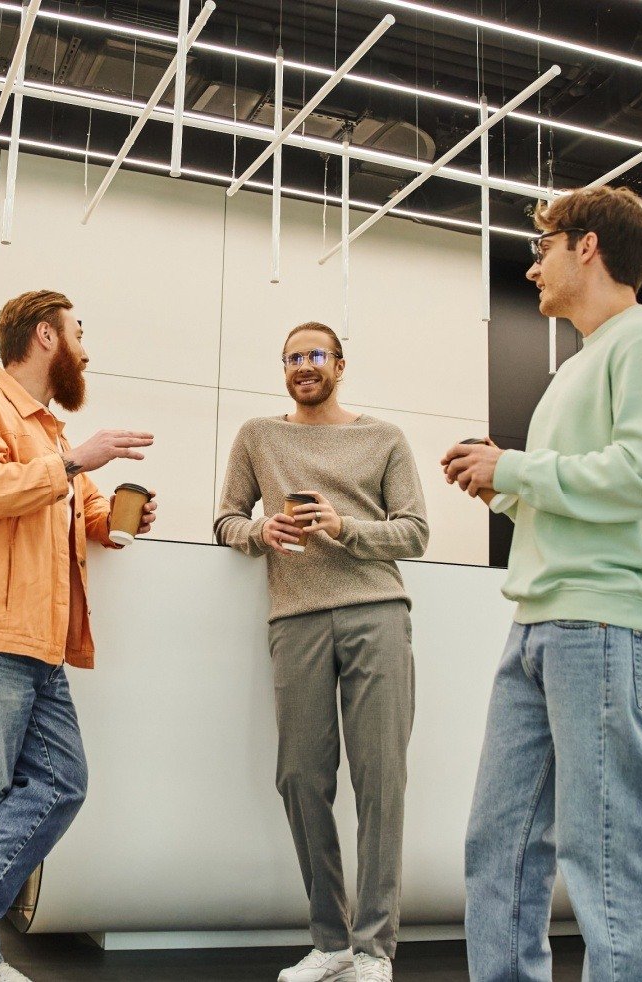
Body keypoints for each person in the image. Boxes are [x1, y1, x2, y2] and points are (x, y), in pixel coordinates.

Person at [443, 185, 642, 982]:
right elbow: (589, 493)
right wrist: (511, 489)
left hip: (605, 625)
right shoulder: (581, 367)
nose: (532, 269)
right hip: (539, 624)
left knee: (606, 850)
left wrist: (519, 469)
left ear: (585, 246)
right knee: (499, 846)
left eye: (542, 248)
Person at [0, 289, 157, 982]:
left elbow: (71, 506)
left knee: (63, 781)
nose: (86, 348)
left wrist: (112, 515)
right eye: (78, 331)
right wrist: (75, 465)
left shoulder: (51, 434)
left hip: (39, 644)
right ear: (45, 337)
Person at [215, 322, 429, 982]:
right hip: (295, 620)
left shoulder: (384, 438)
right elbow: (225, 519)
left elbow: (415, 532)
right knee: (301, 776)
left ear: (339, 364)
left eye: (314, 356)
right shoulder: (258, 436)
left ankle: (374, 949)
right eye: (291, 358)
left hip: (376, 614)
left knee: (380, 781)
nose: (302, 366)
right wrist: (261, 530)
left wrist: (343, 528)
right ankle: (331, 940)